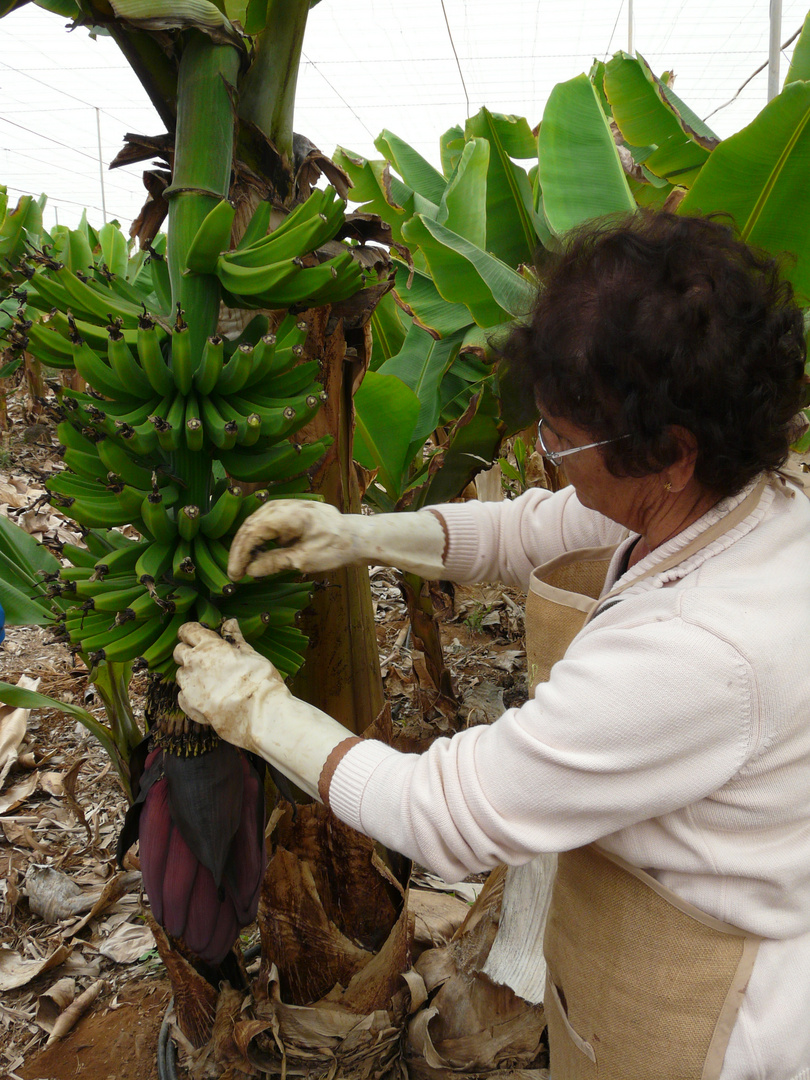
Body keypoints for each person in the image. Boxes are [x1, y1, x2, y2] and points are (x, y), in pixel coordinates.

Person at [173, 211, 810, 1080]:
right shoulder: (747, 498)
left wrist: (261, 714)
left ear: (671, 453)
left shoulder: (702, 651)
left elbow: (443, 815)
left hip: (714, 1024)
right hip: (656, 942)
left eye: (560, 436)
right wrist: (354, 534)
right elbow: (531, 526)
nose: (546, 454)